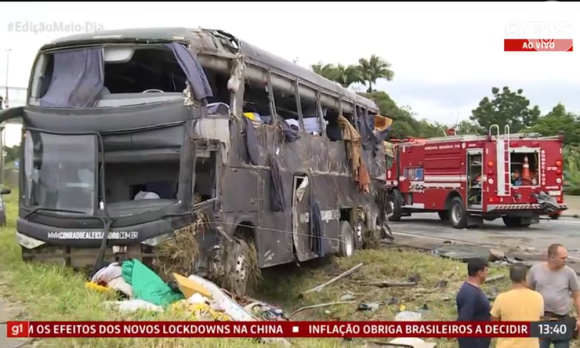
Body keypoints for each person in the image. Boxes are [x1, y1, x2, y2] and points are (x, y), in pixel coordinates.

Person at [528, 243, 580, 348]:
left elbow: (577, 296)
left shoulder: (569, 273)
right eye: (562, 258)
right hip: (541, 320)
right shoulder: (536, 270)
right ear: (551, 257)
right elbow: (528, 293)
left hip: (561, 320)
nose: (566, 260)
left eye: (566, 257)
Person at [491, 263, 544, 348]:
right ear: (526, 278)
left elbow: (493, 322)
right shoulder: (538, 297)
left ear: (511, 278)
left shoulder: (501, 298)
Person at [456, 258, 491, 348]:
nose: (488, 273)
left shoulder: (469, 290)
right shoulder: (471, 294)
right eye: (486, 270)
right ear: (479, 273)